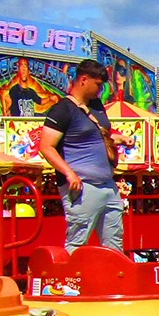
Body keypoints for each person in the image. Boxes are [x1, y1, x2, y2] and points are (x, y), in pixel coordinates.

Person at [36, 60, 124, 250]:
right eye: (98, 84)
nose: (100, 89)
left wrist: (118, 138)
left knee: (115, 241)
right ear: (84, 79)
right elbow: (46, 146)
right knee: (77, 241)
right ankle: (69, 279)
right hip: (83, 186)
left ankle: (109, 279)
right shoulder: (62, 109)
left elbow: (97, 136)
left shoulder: (97, 106)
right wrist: (69, 173)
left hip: (108, 185)